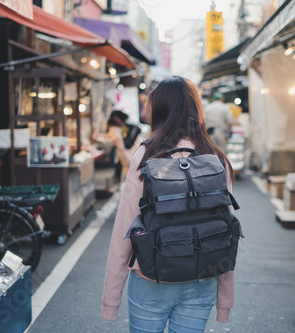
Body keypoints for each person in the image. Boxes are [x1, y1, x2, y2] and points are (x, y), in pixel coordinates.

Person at [102, 76, 235, 332]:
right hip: (203, 278)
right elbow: (226, 229)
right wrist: (225, 301)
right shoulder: (215, 156)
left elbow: (125, 228)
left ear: (160, 110)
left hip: (152, 277)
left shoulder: (147, 154)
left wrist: (111, 300)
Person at [106, 110, 142, 181]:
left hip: (128, 151)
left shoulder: (119, 128)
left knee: (130, 169)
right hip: (128, 150)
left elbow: (123, 146)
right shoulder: (121, 127)